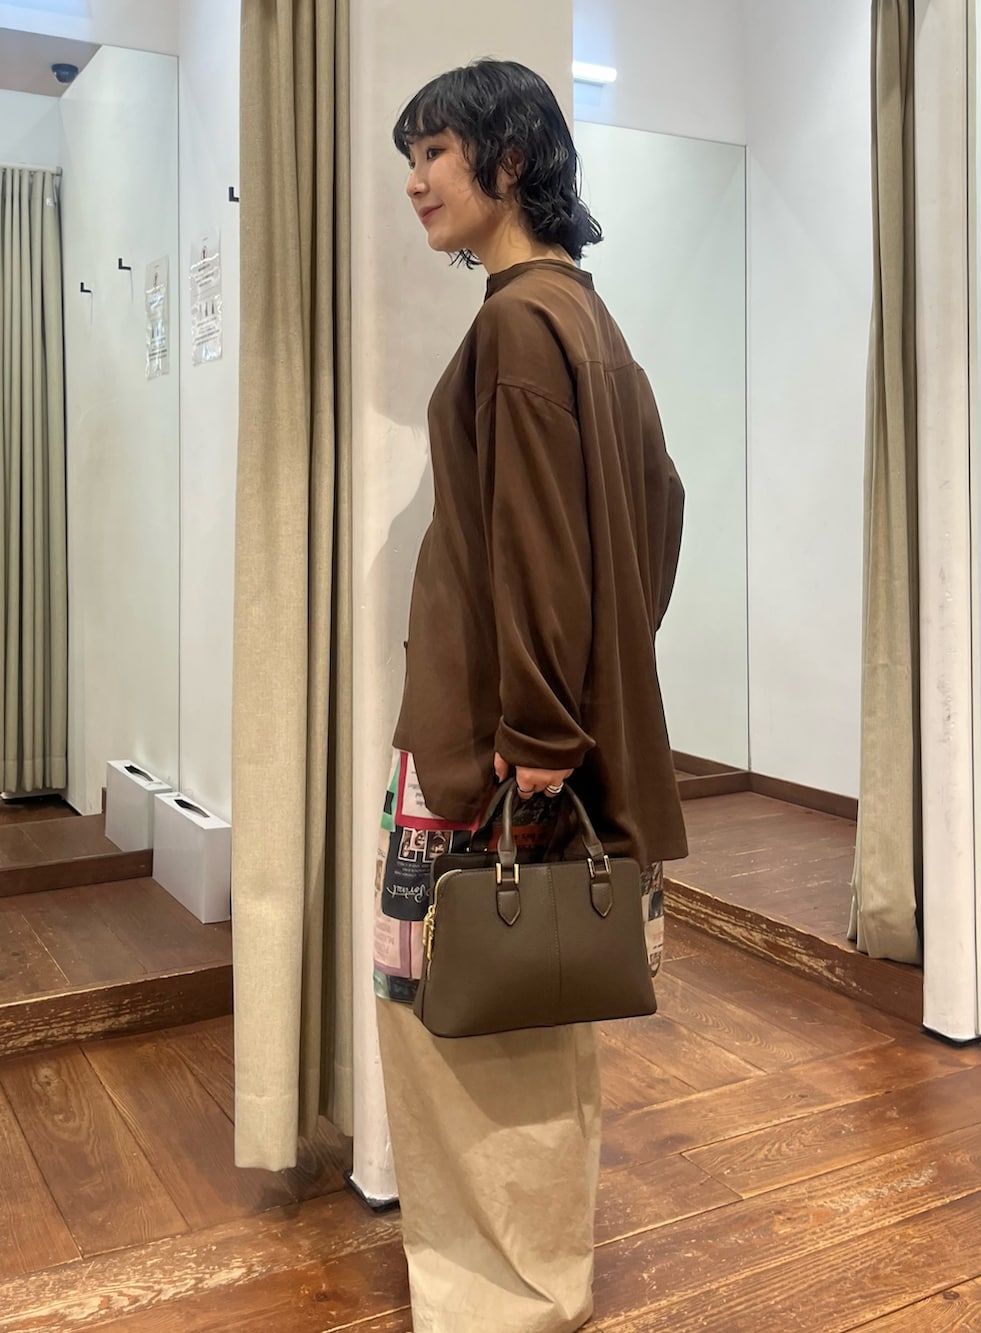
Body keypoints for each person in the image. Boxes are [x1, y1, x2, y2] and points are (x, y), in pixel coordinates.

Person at [373, 58, 688, 1333]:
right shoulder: (589, 318)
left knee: (455, 1018)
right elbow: (660, 510)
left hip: (488, 745)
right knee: (534, 1020)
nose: (414, 182)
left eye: (434, 152)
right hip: (530, 735)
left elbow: (538, 545)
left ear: (509, 160)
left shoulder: (516, 323)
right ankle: (530, 1279)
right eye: (411, 158)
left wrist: (544, 728)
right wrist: (600, 680)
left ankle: (495, 1294)